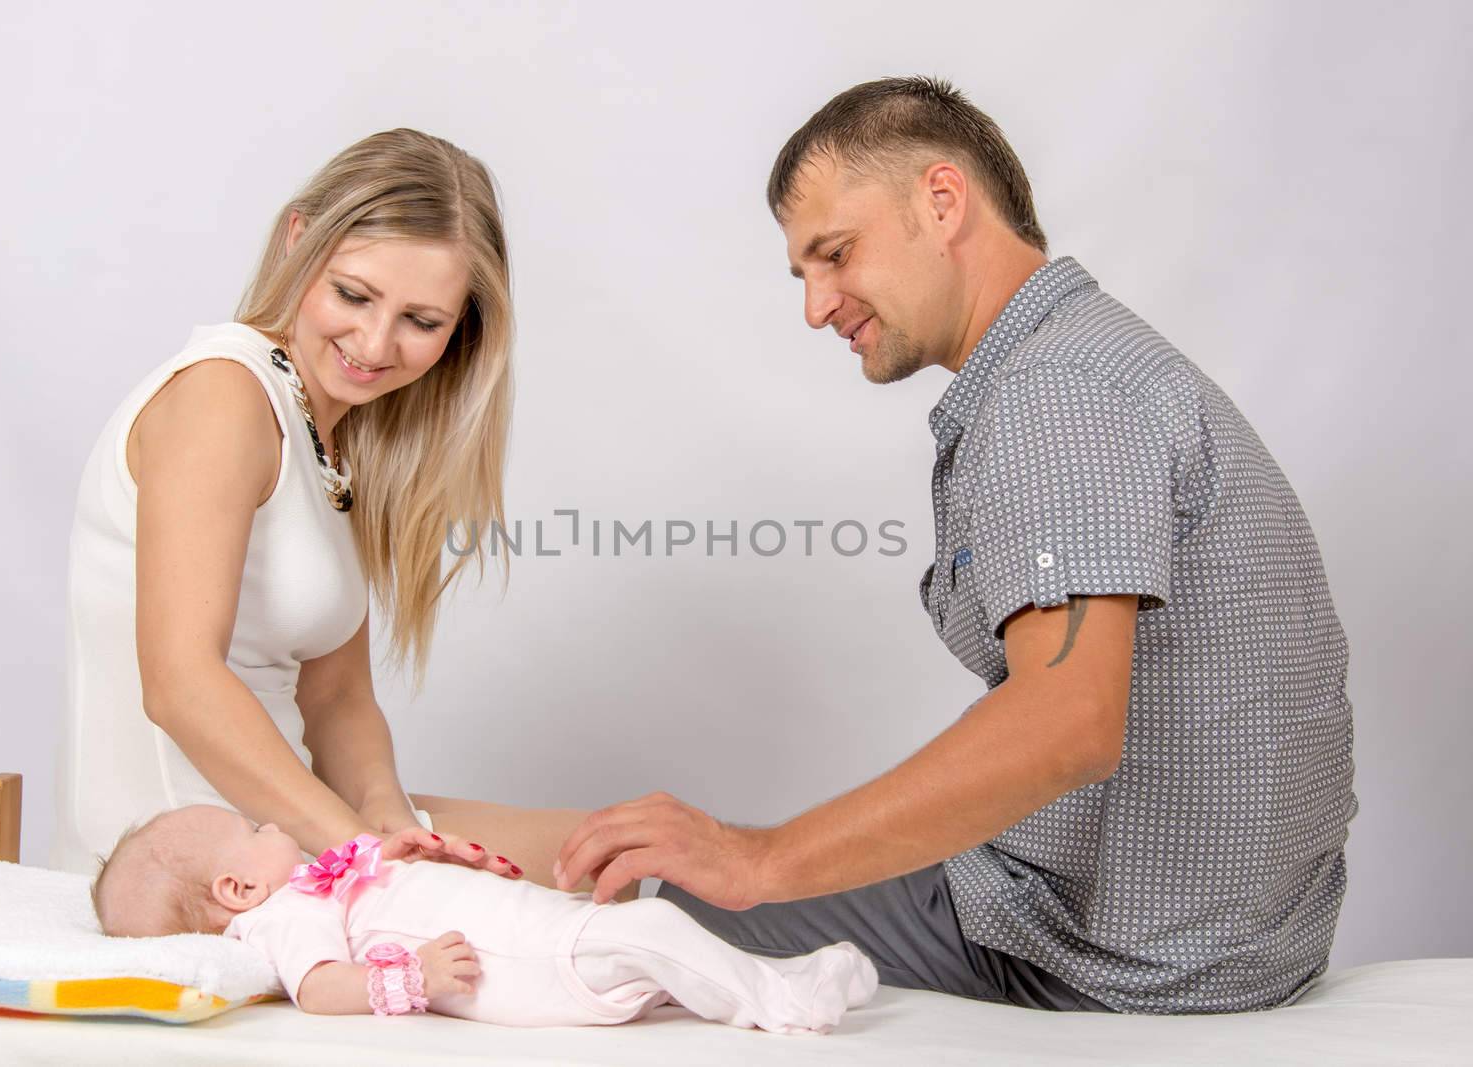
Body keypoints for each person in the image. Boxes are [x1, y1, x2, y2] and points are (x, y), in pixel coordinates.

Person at [553, 77, 1358, 1015]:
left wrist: (758, 859)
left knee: (648, 906)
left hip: (1115, 956)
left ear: (942, 201)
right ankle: (386, 831)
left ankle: (385, 846)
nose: (817, 306)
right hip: (1232, 943)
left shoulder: (1057, 393)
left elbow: (1066, 721)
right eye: (803, 274)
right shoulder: (1086, 360)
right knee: (657, 863)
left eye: (836, 253)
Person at [53, 128, 593, 892]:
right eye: (353, 294)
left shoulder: (327, 436)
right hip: (188, 868)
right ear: (298, 240)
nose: (375, 343)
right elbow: (178, 681)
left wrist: (387, 814)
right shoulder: (224, 397)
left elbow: (337, 697)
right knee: (615, 880)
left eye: (423, 321)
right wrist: (359, 854)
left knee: (621, 852)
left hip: (291, 830)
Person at [90, 805, 878, 1034]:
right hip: (521, 960)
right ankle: (786, 1002)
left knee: (654, 958)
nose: (269, 827)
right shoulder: (277, 920)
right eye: (250, 829)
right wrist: (413, 978)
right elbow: (322, 987)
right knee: (657, 932)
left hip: (531, 929)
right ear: (234, 887)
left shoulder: (305, 886)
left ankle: (778, 977)